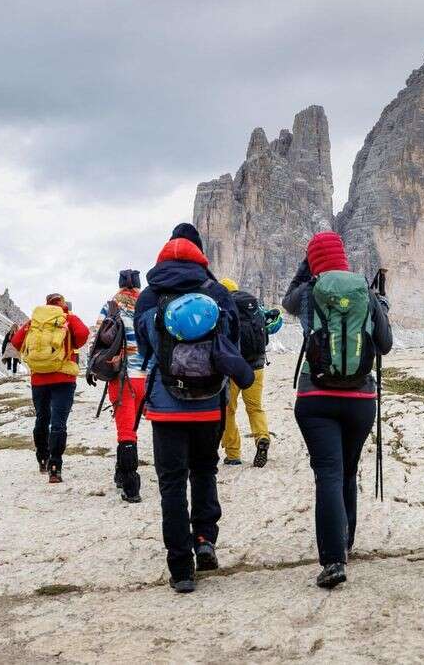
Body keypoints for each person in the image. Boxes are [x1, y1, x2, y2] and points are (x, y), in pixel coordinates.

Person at [134, 229, 254, 594]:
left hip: (165, 408)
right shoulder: (215, 292)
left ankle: (181, 569)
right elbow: (232, 343)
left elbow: (144, 349)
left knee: (171, 485)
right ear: (199, 257)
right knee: (205, 470)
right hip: (208, 404)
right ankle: (205, 539)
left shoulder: (149, 296)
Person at [283, 231, 392, 590]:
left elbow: (287, 302)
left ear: (313, 261)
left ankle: (333, 561)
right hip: (360, 400)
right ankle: (347, 541)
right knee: (347, 471)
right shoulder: (365, 291)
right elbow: (385, 345)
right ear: (344, 258)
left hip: (315, 398)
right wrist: (381, 308)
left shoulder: (307, 292)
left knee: (327, 473)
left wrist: (306, 269)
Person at [11, 293, 89, 483]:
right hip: (64, 378)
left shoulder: (35, 321)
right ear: (62, 304)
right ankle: (55, 467)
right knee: (58, 422)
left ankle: (42, 458)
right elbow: (83, 336)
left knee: (42, 418)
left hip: (39, 380)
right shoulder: (68, 318)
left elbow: (16, 342)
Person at [91, 269, 147, 503]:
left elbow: (97, 335)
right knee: (133, 425)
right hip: (144, 376)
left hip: (120, 376)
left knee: (125, 430)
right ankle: (120, 471)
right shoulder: (148, 306)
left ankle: (131, 485)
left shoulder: (111, 307)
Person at [218, 277, 283, 467]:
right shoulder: (253, 306)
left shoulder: (223, 307)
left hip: (233, 369)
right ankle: (262, 437)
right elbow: (274, 327)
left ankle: (233, 454)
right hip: (257, 366)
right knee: (255, 407)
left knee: (229, 410)